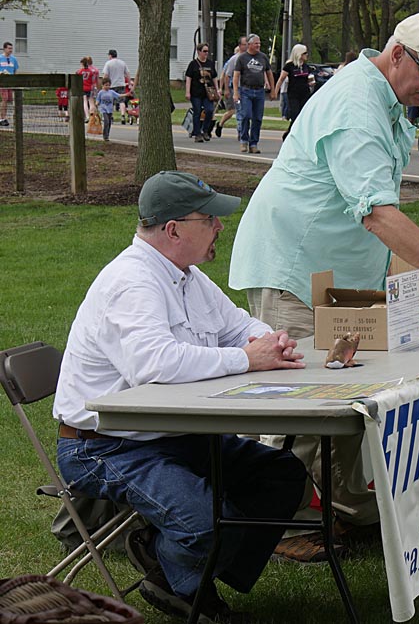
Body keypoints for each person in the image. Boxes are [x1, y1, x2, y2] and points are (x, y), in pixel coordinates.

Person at [229, 12, 419, 562]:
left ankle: (344, 508)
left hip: (340, 273)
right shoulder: (357, 106)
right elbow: (376, 211)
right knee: (305, 405)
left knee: (353, 396)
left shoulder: (387, 100)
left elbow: (372, 212)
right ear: (397, 54)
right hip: (298, 269)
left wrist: (415, 283)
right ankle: (277, 524)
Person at [53, 171, 307, 622]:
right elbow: (154, 366)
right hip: (105, 445)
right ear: (173, 230)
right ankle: (181, 570)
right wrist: (248, 360)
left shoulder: (185, 275)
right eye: (210, 219)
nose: (220, 227)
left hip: (167, 434)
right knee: (204, 524)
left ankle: (173, 573)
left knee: (281, 474)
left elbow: (238, 325)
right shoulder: (133, 282)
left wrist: (271, 340)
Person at [232, 34, 275, 154]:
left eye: (259, 43)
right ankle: (244, 140)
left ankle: (254, 143)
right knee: (246, 115)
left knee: (257, 118)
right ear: (249, 45)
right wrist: (236, 92)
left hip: (260, 91)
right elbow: (236, 76)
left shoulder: (263, 57)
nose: (258, 45)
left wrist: (273, 90)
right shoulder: (242, 58)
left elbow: (269, 73)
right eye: (256, 43)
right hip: (246, 91)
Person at [272, 43, 314, 141]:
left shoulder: (306, 66)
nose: (306, 55)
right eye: (305, 53)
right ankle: (289, 135)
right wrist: (275, 92)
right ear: (299, 54)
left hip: (305, 94)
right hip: (293, 94)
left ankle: (292, 133)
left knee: (302, 116)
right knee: (295, 115)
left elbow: (309, 79)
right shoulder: (290, 66)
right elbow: (281, 79)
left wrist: (311, 82)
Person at [185, 42, 220, 143]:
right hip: (196, 92)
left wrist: (217, 90)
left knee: (209, 110)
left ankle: (205, 130)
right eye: (204, 51)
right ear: (198, 52)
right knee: (197, 112)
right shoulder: (193, 64)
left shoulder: (210, 64)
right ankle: (197, 134)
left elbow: (214, 77)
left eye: (207, 51)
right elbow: (188, 78)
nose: (206, 53)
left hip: (208, 93)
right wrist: (188, 92)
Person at [216, 37, 247, 139]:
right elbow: (225, 75)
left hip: (246, 88)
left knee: (244, 111)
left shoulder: (250, 59)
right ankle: (239, 132)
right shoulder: (233, 60)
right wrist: (224, 89)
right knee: (235, 111)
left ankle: (241, 131)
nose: (247, 46)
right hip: (234, 89)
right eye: (244, 44)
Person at [101, 49, 130, 124]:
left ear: (110, 55)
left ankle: (111, 117)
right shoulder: (122, 63)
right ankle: (123, 116)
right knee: (121, 101)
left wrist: (104, 84)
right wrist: (129, 83)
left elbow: (105, 75)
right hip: (121, 84)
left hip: (111, 85)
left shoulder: (108, 63)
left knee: (111, 102)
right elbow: (127, 73)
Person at [0, 41, 19, 126]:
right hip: (2, 82)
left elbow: (15, 70)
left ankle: (7, 117)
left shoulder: (13, 59)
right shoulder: (0, 58)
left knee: (9, 100)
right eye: (9, 48)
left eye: (11, 48)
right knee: (4, 98)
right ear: (4, 49)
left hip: (10, 82)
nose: (10, 50)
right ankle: (2, 118)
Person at [77, 56, 99, 121]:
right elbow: (93, 80)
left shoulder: (80, 71)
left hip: (83, 87)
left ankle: (87, 116)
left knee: (85, 102)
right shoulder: (91, 71)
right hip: (89, 87)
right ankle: (93, 115)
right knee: (91, 102)